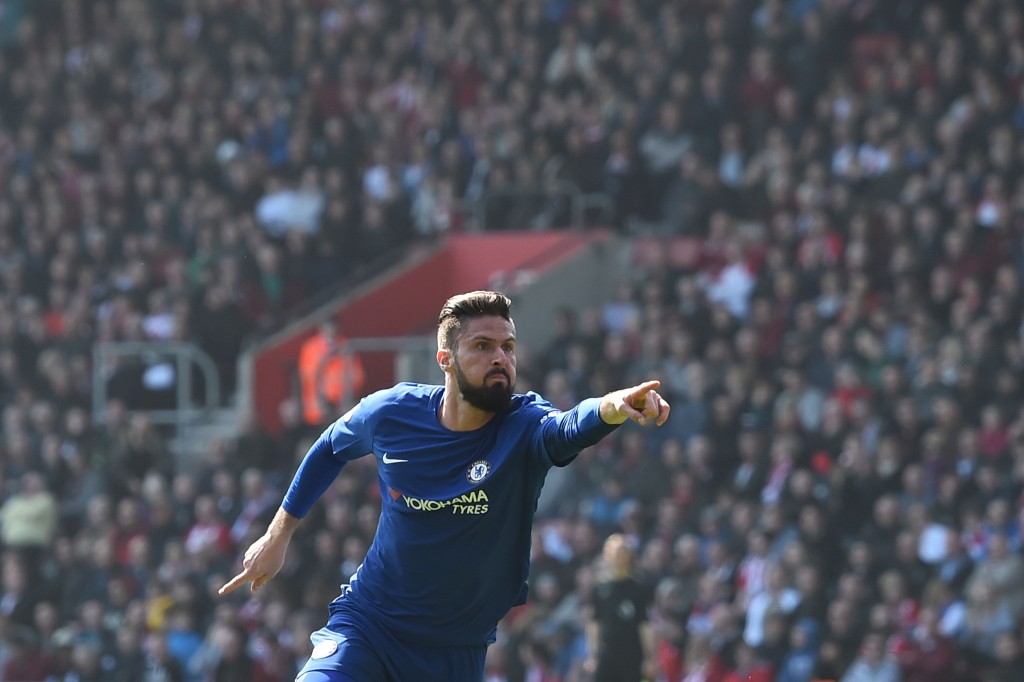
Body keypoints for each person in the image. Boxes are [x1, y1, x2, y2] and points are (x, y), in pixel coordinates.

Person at [218, 291, 671, 682]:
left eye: (508, 347)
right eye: (483, 346)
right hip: (370, 626)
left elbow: (571, 426)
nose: (500, 358)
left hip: (456, 651)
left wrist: (613, 406)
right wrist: (278, 534)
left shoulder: (526, 426)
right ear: (446, 360)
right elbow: (329, 448)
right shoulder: (392, 412)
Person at [584, 533, 655, 682]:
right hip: (607, 655)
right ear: (607, 555)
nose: (619, 557)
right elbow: (594, 623)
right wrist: (592, 655)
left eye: (623, 552)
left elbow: (645, 624)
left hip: (632, 654)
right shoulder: (600, 587)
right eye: (615, 553)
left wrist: (650, 657)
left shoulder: (638, 588)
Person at [298, 318, 366, 427]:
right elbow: (307, 377)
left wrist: (346, 398)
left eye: (333, 329)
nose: (330, 333)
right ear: (321, 329)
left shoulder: (346, 346)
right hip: (318, 413)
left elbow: (358, 376)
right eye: (327, 329)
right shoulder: (310, 348)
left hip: (343, 409)